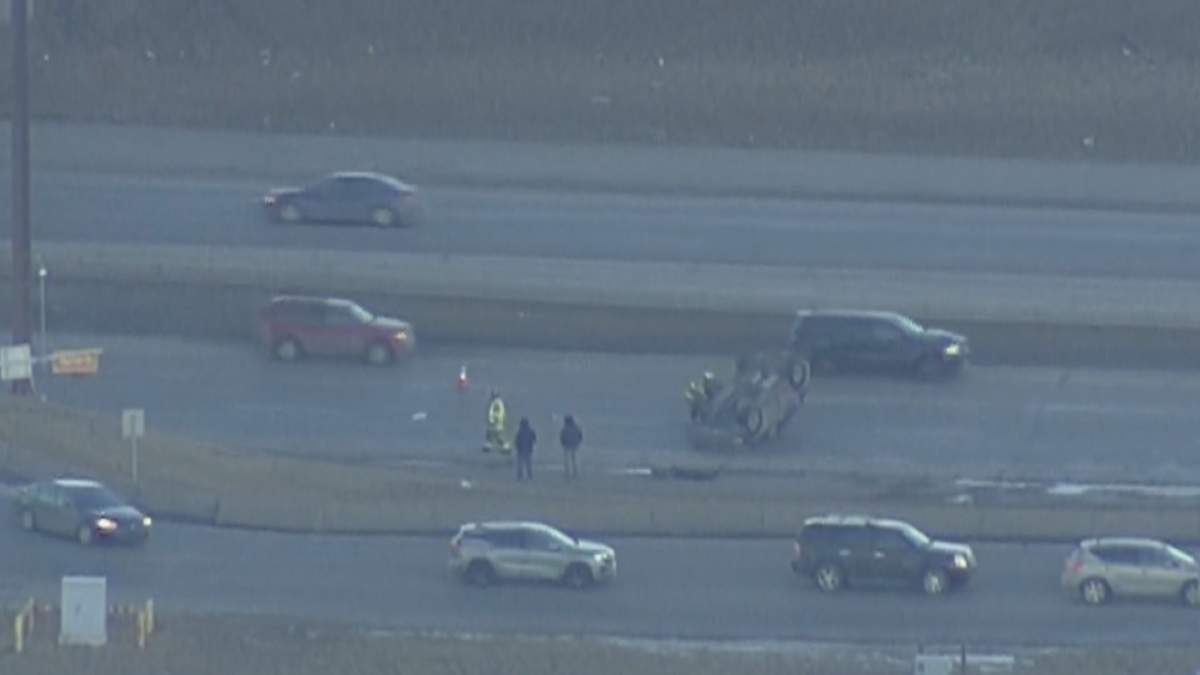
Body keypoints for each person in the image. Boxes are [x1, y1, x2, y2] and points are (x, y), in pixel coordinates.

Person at [483, 390, 510, 455]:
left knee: (497, 435)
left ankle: (505, 446)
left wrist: (493, 420)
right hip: (495, 423)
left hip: (496, 423)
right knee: (491, 434)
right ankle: (488, 445)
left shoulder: (497, 403)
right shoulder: (496, 402)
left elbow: (500, 413)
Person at [559, 415, 583, 480]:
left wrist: (563, 443)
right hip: (575, 445)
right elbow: (580, 436)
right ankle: (575, 472)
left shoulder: (564, 429)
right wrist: (578, 442)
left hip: (567, 445)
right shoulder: (577, 427)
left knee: (567, 460)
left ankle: (568, 472)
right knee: (574, 459)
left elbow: (562, 437)